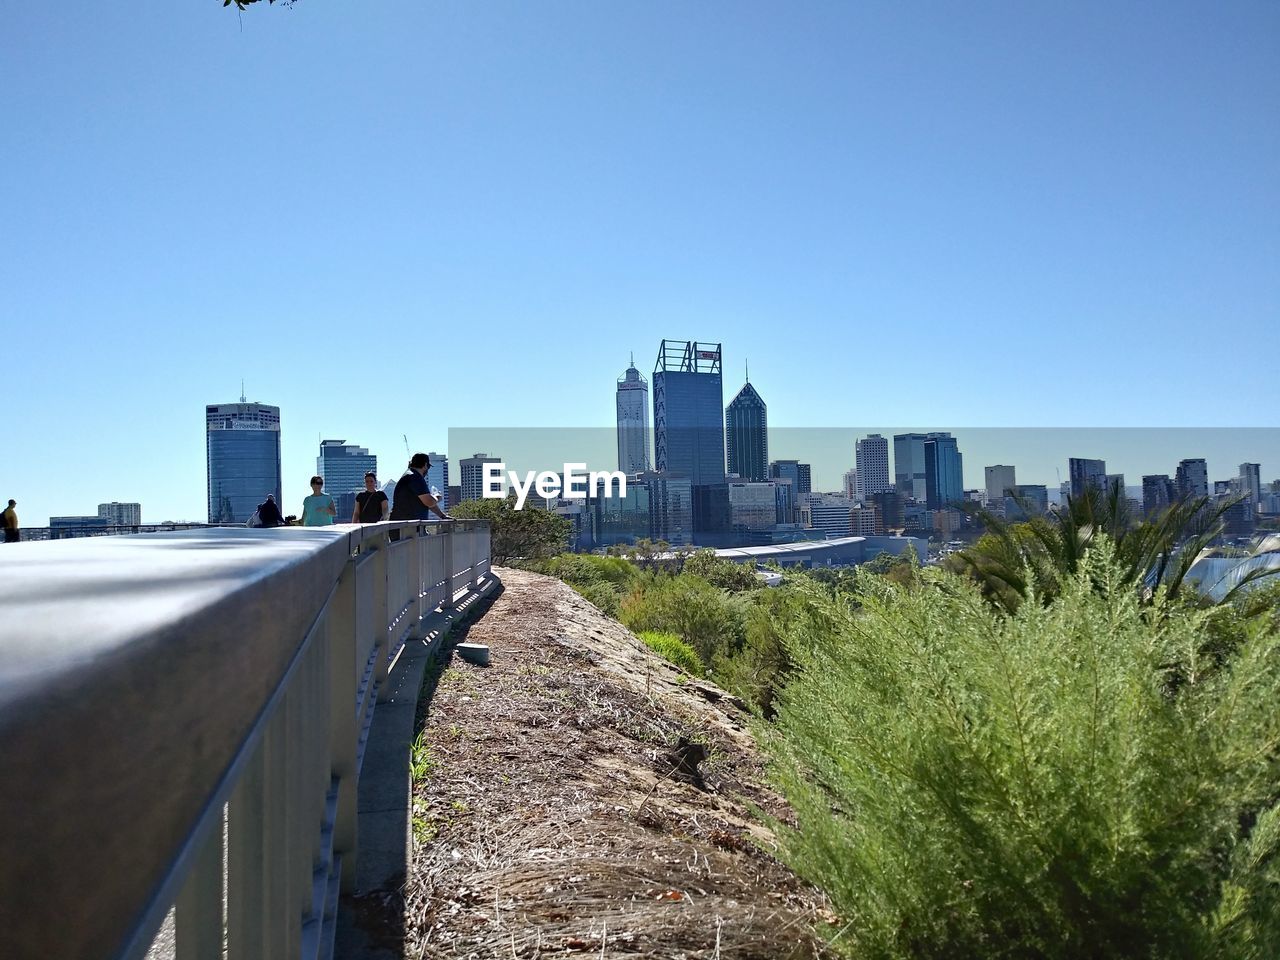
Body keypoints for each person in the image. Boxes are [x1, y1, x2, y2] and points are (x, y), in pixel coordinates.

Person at [391, 453, 451, 521]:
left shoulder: (410, 475)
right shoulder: (415, 477)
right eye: (428, 467)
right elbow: (429, 502)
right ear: (425, 465)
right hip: (408, 526)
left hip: (406, 524)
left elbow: (427, 502)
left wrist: (442, 516)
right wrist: (437, 497)